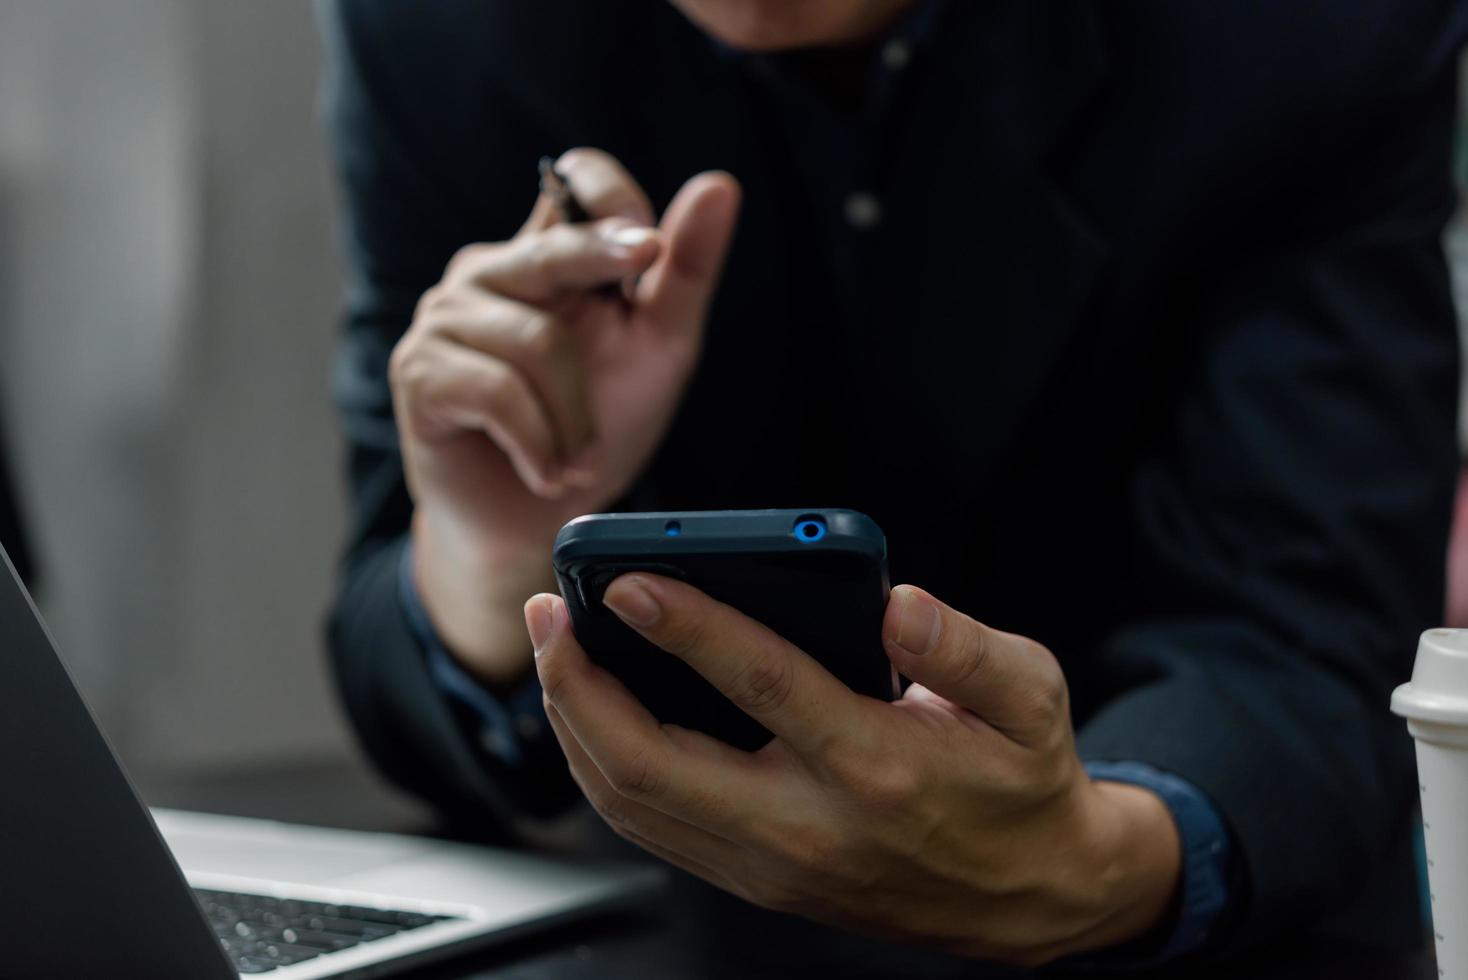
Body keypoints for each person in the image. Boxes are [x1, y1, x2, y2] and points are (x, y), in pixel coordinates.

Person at [320, 0, 1466, 967]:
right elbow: (392, 656)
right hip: (675, 935)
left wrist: (1092, 856)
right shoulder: (444, 27)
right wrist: (488, 551)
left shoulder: (1304, 30)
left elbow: (1306, 632)